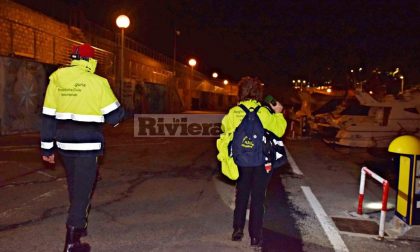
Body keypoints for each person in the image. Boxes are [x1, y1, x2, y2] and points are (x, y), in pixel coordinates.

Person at [40, 43, 125, 252]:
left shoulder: (57, 79)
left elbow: (48, 116)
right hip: (88, 144)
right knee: (83, 191)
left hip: (63, 144)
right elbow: (114, 116)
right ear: (91, 60)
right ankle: (71, 242)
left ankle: (80, 226)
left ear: (73, 58)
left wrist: (47, 149)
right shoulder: (98, 82)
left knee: (75, 185)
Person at [217, 76, 287, 248]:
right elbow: (279, 130)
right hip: (261, 162)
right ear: (258, 93)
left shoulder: (234, 112)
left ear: (240, 92)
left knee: (241, 194)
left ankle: (237, 230)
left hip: (241, 161)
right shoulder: (264, 112)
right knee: (257, 198)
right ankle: (255, 236)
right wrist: (278, 113)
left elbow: (225, 129)